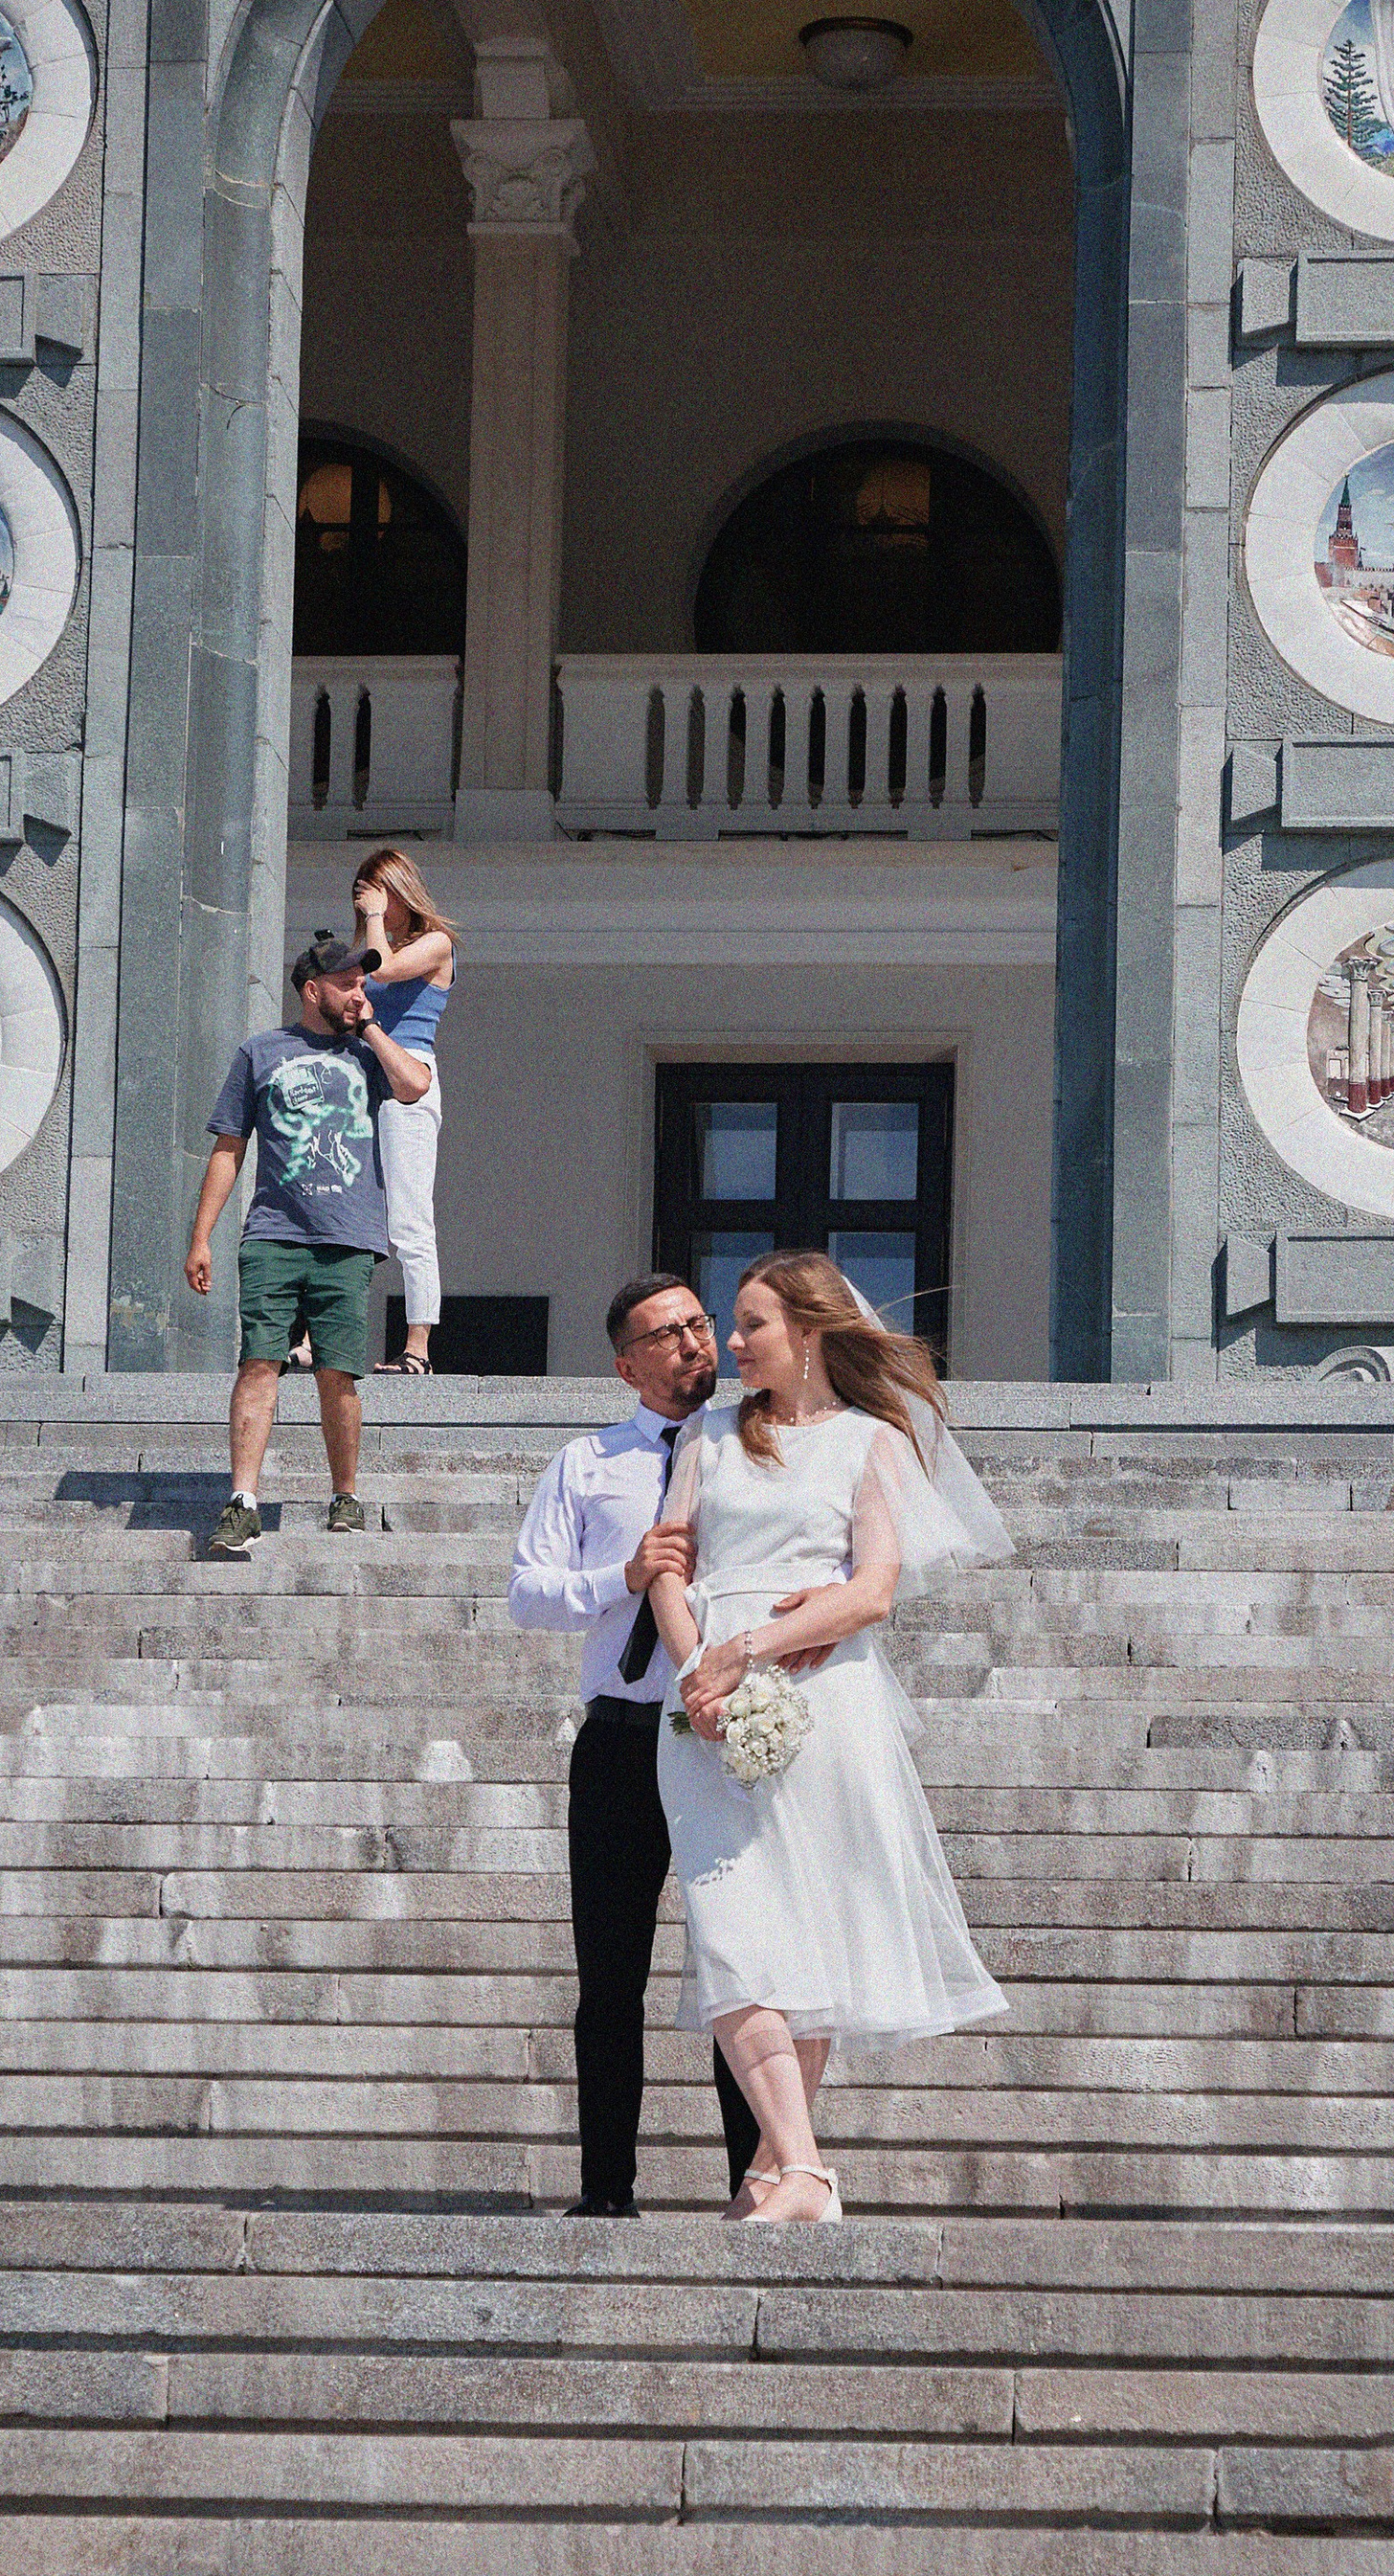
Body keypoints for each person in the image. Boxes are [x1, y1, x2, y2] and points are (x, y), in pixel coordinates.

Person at [649, 1252, 1010, 2225]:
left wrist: (755, 1648)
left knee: (803, 1945)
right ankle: (798, 2170)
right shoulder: (710, 1438)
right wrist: (700, 1671)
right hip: (703, 1715)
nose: (729, 1342)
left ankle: (779, 2172)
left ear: (807, 1333)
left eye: (751, 1322)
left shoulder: (869, 1444)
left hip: (822, 1705)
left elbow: (873, 1588)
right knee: (733, 1934)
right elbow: (668, 1571)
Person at [508, 1274, 762, 2217]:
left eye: (700, 1322)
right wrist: (620, 1575)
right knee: (610, 1976)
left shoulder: (757, 1450)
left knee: (741, 1968)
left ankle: (758, 2180)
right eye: (667, 1332)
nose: (694, 1341)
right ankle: (606, 2188)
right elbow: (527, 1592)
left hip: (724, 1742)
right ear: (628, 1362)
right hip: (619, 1745)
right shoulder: (586, 1463)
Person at [187, 940, 432, 1556]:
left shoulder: (367, 1052)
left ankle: (344, 1493)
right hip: (273, 1233)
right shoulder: (259, 1053)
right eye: (348, 984)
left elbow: (414, 1087)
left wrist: (371, 1028)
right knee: (258, 1361)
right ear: (312, 988)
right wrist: (201, 1238)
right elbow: (228, 1148)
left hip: (348, 1239)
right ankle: (243, 1501)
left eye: (363, 985)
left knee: (337, 1372)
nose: (359, 993)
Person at [350, 848, 456, 1378]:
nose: (371, 905)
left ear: (399, 891)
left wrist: (371, 920)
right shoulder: (369, 944)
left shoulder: (435, 943)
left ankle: (418, 1346)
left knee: (410, 1219)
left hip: (407, 1075)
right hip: (362, 1081)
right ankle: (316, 1334)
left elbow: (384, 974)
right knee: (345, 1210)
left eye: (378, 893)